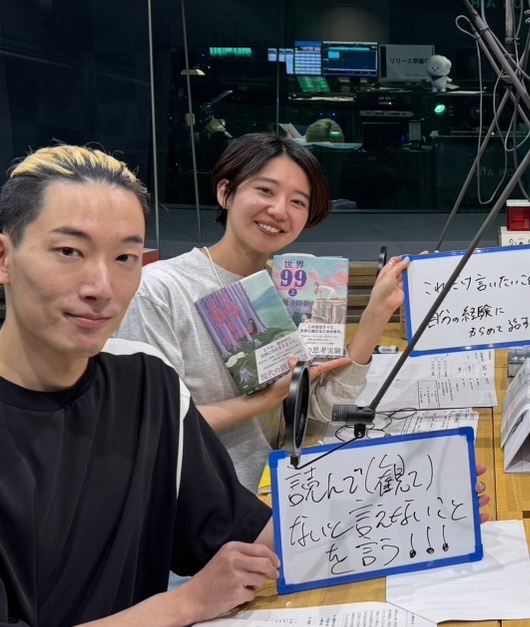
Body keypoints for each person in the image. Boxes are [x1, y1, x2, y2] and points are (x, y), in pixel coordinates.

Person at [0, 145, 278, 627]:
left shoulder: (146, 383)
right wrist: (182, 606)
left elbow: (244, 539)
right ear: (4, 258)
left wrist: (395, 494)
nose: (102, 285)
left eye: (126, 257)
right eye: (70, 252)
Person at [118, 133, 409, 489]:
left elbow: (317, 414)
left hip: (266, 498)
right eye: (266, 191)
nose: (279, 210)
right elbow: (150, 427)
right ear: (225, 193)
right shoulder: (160, 289)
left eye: (298, 201)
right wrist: (266, 399)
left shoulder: (297, 290)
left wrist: (376, 314)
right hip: (187, 504)